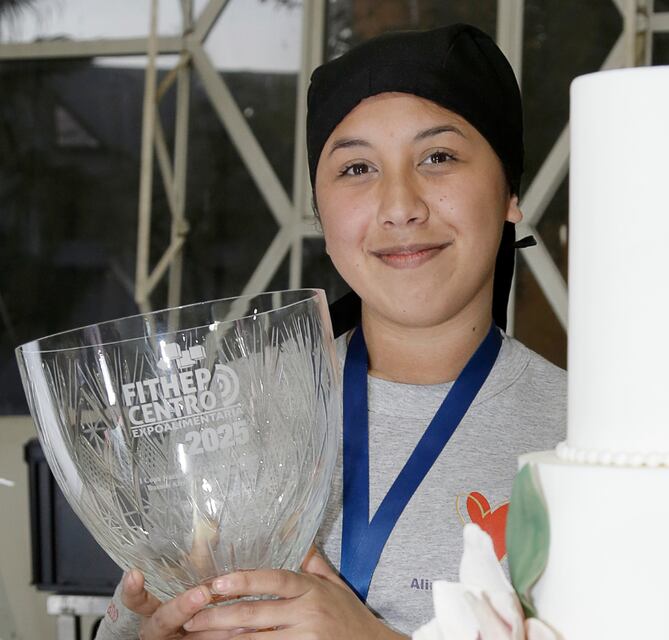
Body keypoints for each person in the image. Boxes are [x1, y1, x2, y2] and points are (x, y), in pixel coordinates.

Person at [95, 22, 565, 640]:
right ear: (320, 212)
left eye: (438, 157)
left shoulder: (584, 435)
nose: (400, 206)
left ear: (509, 192)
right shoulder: (231, 414)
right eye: (357, 167)